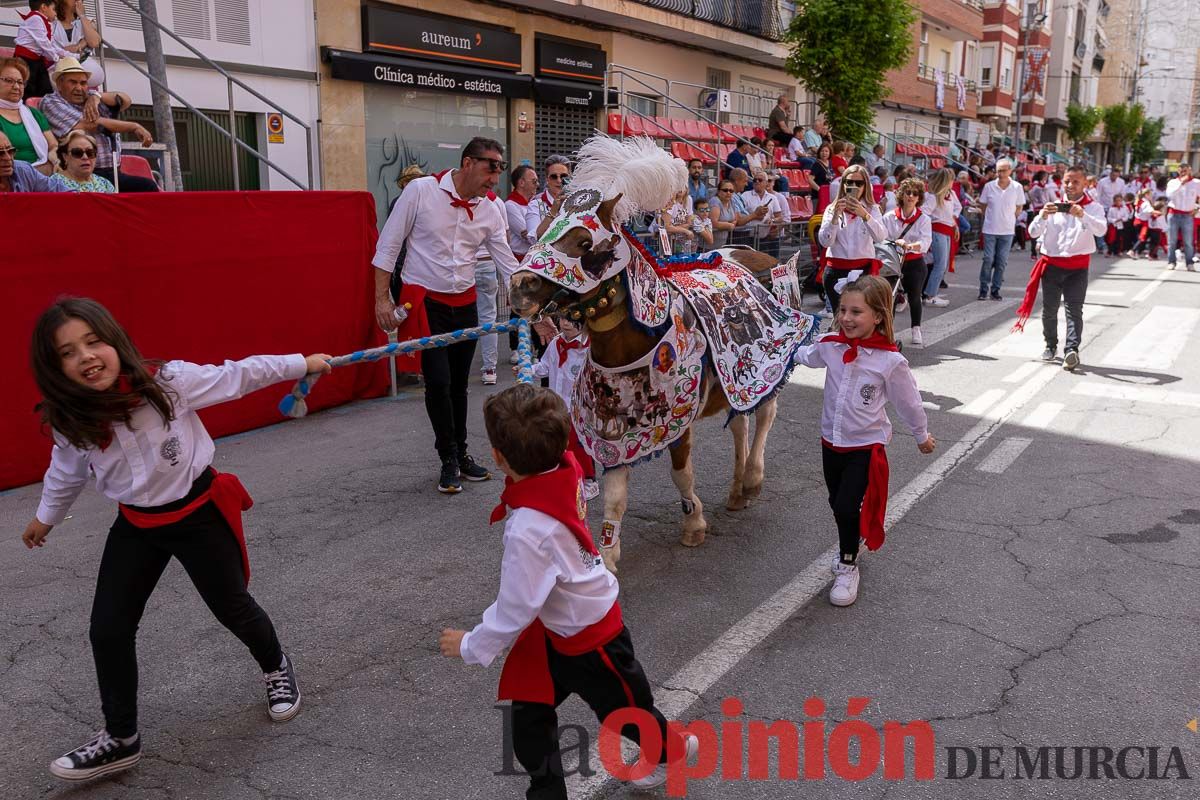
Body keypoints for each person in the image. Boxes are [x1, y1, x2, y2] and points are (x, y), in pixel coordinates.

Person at [21, 298, 323, 782]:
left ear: (113, 340)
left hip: (197, 513)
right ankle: (121, 738)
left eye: (93, 341)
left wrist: (300, 364)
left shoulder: (167, 384)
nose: (86, 356)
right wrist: (45, 518)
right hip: (137, 525)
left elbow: (237, 375)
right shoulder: (71, 418)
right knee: (108, 628)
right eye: (68, 352)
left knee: (232, 607)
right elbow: (66, 471)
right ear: (55, 368)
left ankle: (276, 665)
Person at [438, 384, 697, 796]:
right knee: (528, 719)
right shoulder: (567, 467)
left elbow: (516, 608)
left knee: (626, 714)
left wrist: (470, 644)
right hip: (561, 630)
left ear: (499, 458)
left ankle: (671, 750)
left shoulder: (527, 529)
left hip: (593, 639)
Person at [372, 137, 522, 493]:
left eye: (500, 170)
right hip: (426, 302)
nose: (495, 179)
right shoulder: (421, 191)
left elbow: (507, 265)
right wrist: (381, 300)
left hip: (464, 303)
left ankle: (462, 452)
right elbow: (389, 245)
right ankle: (448, 458)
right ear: (468, 163)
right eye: (490, 168)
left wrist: (537, 307)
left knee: (458, 384)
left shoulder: (490, 209)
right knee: (437, 381)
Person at [793, 274, 935, 606]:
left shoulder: (890, 361)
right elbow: (808, 356)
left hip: (865, 447)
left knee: (845, 505)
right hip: (831, 441)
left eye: (856, 312)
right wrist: (780, 348)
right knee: (836, 503)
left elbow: (908, 402)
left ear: (878, 317)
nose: (846, 318)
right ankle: (851, 536)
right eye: (843, 310)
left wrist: (921, 435)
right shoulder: (830, 345)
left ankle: (847, 564)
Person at [1019, 166, 1107, 371]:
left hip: (1077, 267)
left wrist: (1083, 215)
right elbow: (1032, 233)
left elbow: (1101, 230)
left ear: (1086, 184)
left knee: (1073, 310)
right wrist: (1041, 215)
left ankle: (1071, 350)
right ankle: (1050, 344)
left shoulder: (1093, 207)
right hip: (1052, 266)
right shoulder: (1052, 207)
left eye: (1076, 182)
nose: (1070, 185)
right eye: (1067, 181)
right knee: (1049, 309)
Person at [39, 58, 159, 192]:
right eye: (73, 82)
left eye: (83, 83)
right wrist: (134, 126)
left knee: (147, 190)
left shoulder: (90, 97)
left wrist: (96, 96)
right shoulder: (50, 102)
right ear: (59, 84)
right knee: (147, 187)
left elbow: (125, 100)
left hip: (112, 171)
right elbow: (90, 124)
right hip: (81, 172)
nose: (79, 88)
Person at [528, 317, 598, 500]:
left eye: (572, 320)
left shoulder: (589, 348)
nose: (565, 323)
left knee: (579, 443)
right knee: (557, 441)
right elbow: (545, 366)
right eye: (563, 318)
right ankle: (563, 476)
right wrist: (529, 369)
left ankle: (589, 480)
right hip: (556, 404)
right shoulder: (555, 343)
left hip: (579, 407)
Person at [818, 164, 887, 314]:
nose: (854, 186)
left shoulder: (872, 209)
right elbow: (825, 242)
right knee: (840, 318)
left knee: (861, 316)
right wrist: (835, 217)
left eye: (859, 183)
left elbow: (881, 237)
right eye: (849, 182)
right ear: (843, 185)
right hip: (836, 269)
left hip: (862, 271)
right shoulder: (832, 208)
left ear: (865, 186)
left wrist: (865, 215)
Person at [884, 178, 932, 347]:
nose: (911, 196)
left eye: (915, 194)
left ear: (919, 198)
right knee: (890, 297)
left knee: (914, 296)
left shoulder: (924, 219)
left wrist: (909, 246)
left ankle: (916, 328)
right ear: (901, 195)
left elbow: (926, 242)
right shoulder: (889, 216)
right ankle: (888, 332)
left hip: (914, 262)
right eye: (908, 193)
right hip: (893, 262)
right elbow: (883, 238)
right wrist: (897, 244)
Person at [976, 157, 1026, 300]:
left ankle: (995, 290)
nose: (1001, 174)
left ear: (1010, 171)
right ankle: (983, 289)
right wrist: (991, 217)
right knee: (987, 259)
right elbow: (983, 205)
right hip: (990, 229)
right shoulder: (989, 186)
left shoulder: (1017, 187)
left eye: (1004, 171)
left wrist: (1010, 218)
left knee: (1001, 261)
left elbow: (1019, 206)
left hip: (1007, 231)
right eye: (998, 171)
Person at [0, 57, 58, 174]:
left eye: (20, 82)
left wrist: (54, 160)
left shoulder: (33, 113)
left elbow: (53, 145)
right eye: (9, 80)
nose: (16, 87)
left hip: (43, 172)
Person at [505, 164, 538, 364]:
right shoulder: (511, 205)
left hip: (533, 259)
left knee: (535, 303)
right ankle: (514, 346)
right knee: (517, 305)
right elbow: (527, 234)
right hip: (518, 260)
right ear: (521, 182)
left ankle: (533, 344)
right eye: (533, 180)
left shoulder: (534, 203)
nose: (537, 184)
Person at [921, 167, 961, 307]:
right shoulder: (933, 196)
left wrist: (954, 223)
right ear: (945, 181)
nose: (953, 182)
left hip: (946, 230)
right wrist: (930, 223)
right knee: (940, 265)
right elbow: (923, 212)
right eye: (950, 180)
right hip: (938, 231)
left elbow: (957, 208)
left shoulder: (949, 194)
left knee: (940, 265)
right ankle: (930, 295)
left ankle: (930, 293)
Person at [14, 0, 70, 99]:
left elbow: (51, 45)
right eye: (54, 10)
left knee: (45, 89)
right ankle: (28, 110)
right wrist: (56, 58)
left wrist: (69, 55)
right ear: (44, 7)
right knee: (28, 88)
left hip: (37, 60)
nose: (56, 14)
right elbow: (43, 42)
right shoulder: (35, 18)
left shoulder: (46, 23)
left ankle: (44, 109)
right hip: (25, 60)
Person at [0, 130, 72, 191]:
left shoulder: (24, 170)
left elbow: (59, 190)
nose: (8, 158)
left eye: (10, 151)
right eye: (0, 153)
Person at [741, 169, 785, 256]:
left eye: (760, 180)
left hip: (765, 238)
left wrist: (772, 220)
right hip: (747, 237)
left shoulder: (773, 198)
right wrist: (755, 215)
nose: (757, 182)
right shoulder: (745, 195)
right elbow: (740, 216)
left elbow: (780, 217)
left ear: (766, 183)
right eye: (755, 180)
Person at [1165, 164, 1198, 271]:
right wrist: (1181, 184)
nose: (1184, 173)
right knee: (1172, 241)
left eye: (1186, 171)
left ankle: (1189, 263)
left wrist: (1197, 208)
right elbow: (1169, 195)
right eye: (1182, 171)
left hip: (1187, 215)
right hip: (1174, 214)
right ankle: (1171, 261)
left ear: (1190, 171)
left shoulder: (1196, 183)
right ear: (1179, 171)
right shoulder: (1173, 182)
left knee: (1188, 241)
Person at [529, 154, 570, 241]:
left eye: (563, 176)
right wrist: (553, 210)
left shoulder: (577, 203)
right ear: (547, 179)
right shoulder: (535, 204)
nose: (559, 181)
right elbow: (534, 238)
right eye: (554, 177)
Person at [708, 179, 739, 247]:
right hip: (709, 245)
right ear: (719, 191)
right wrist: (729, 225)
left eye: (731, 191)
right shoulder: (715, 201)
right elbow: (713, 223)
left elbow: (736, 218)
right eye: (725, 190)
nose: (728, 193)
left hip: (722, 243)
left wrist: (731, 224)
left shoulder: (732, 201)